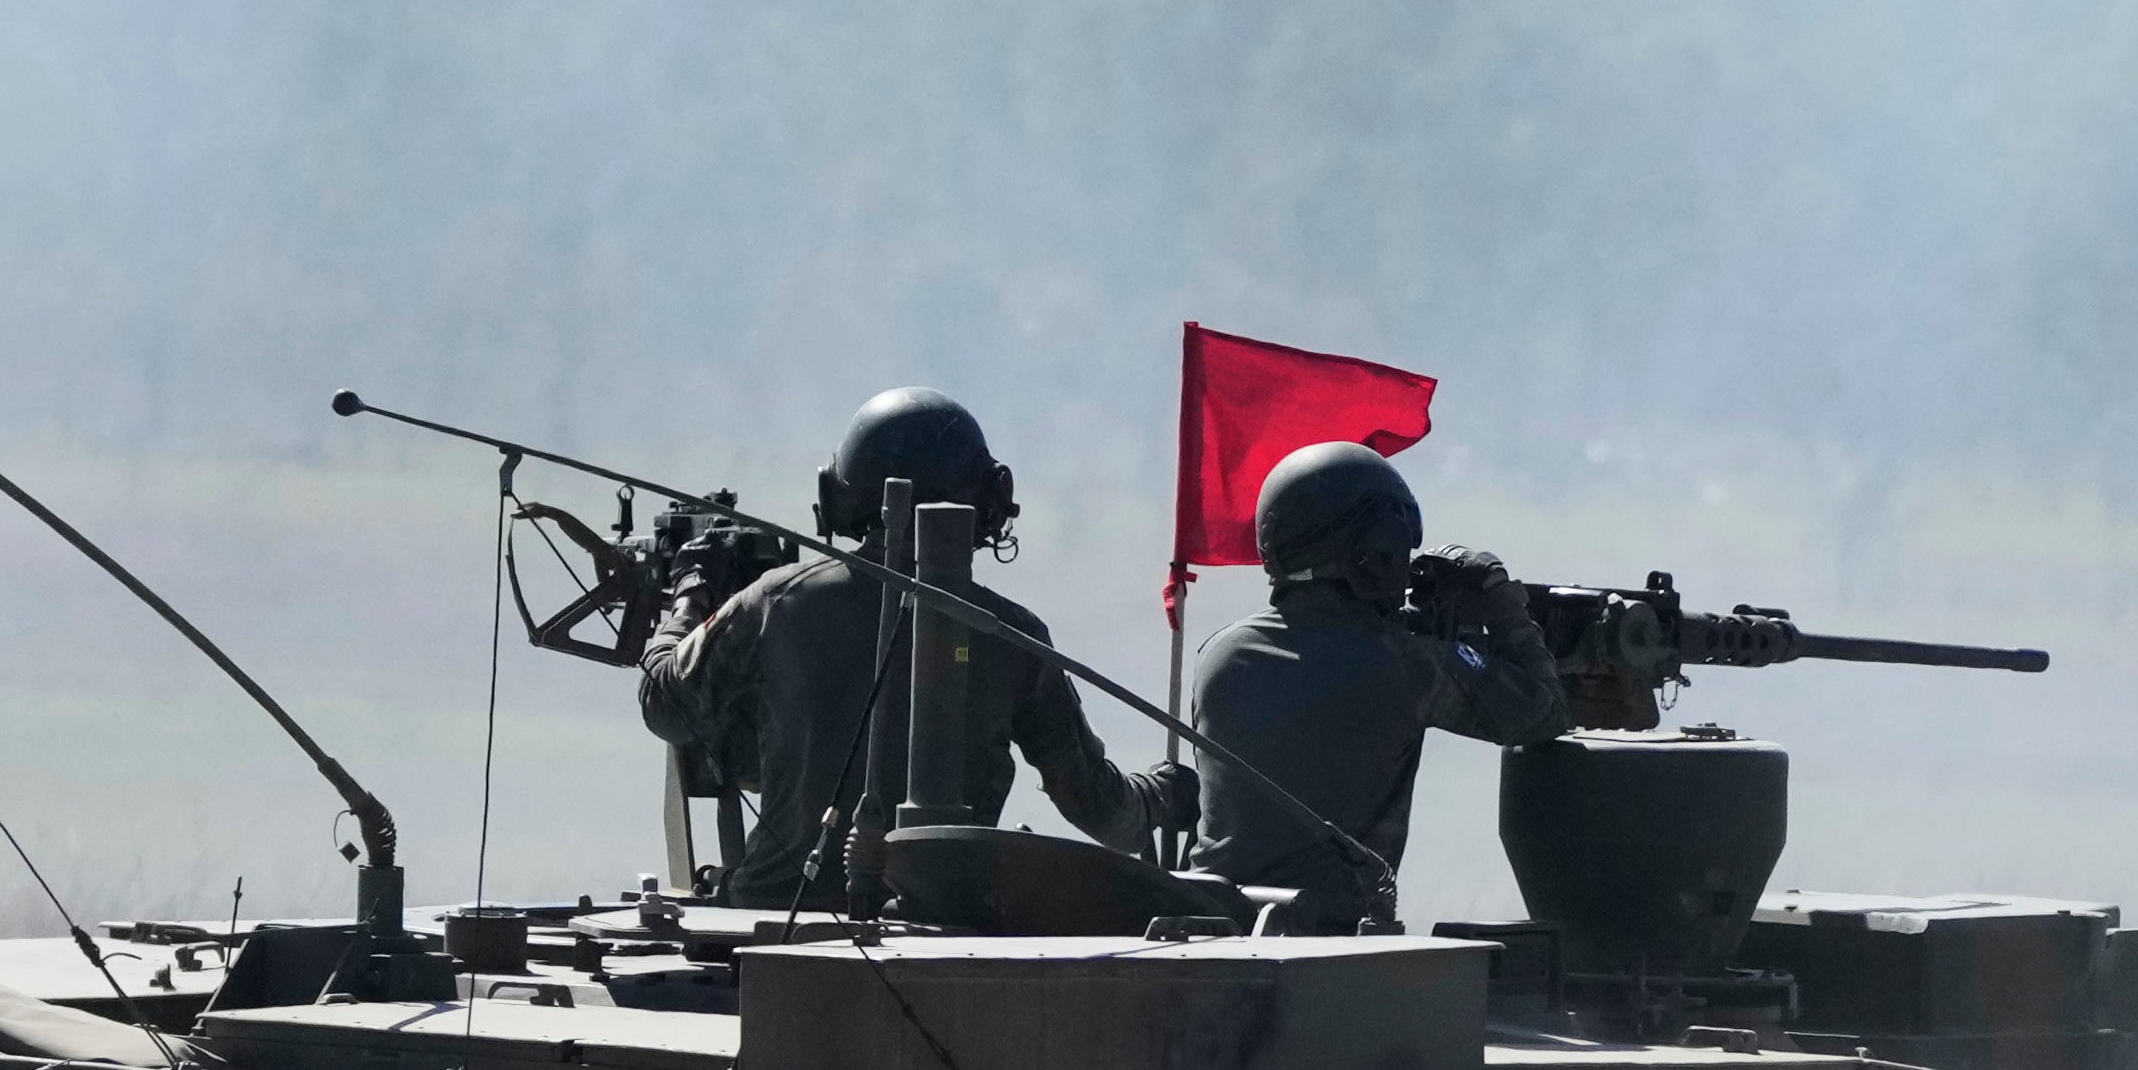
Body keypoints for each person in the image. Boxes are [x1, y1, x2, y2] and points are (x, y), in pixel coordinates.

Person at [643, 387, 1171, 898]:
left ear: (838, 494)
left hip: (776, 910)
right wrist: (1164, 796)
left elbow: (665, 703)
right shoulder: (1013, 637)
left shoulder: (777, 603)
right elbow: (1104, 812)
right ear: (989, 498)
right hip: (946, 925)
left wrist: (690, 593)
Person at [1188, 440, 1567, 928]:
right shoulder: (1406, 665)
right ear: (1373, 551)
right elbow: (1545, 710)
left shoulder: (1220, 653)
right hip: (1332, 949)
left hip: (1211, 925)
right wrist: (1499, 598)